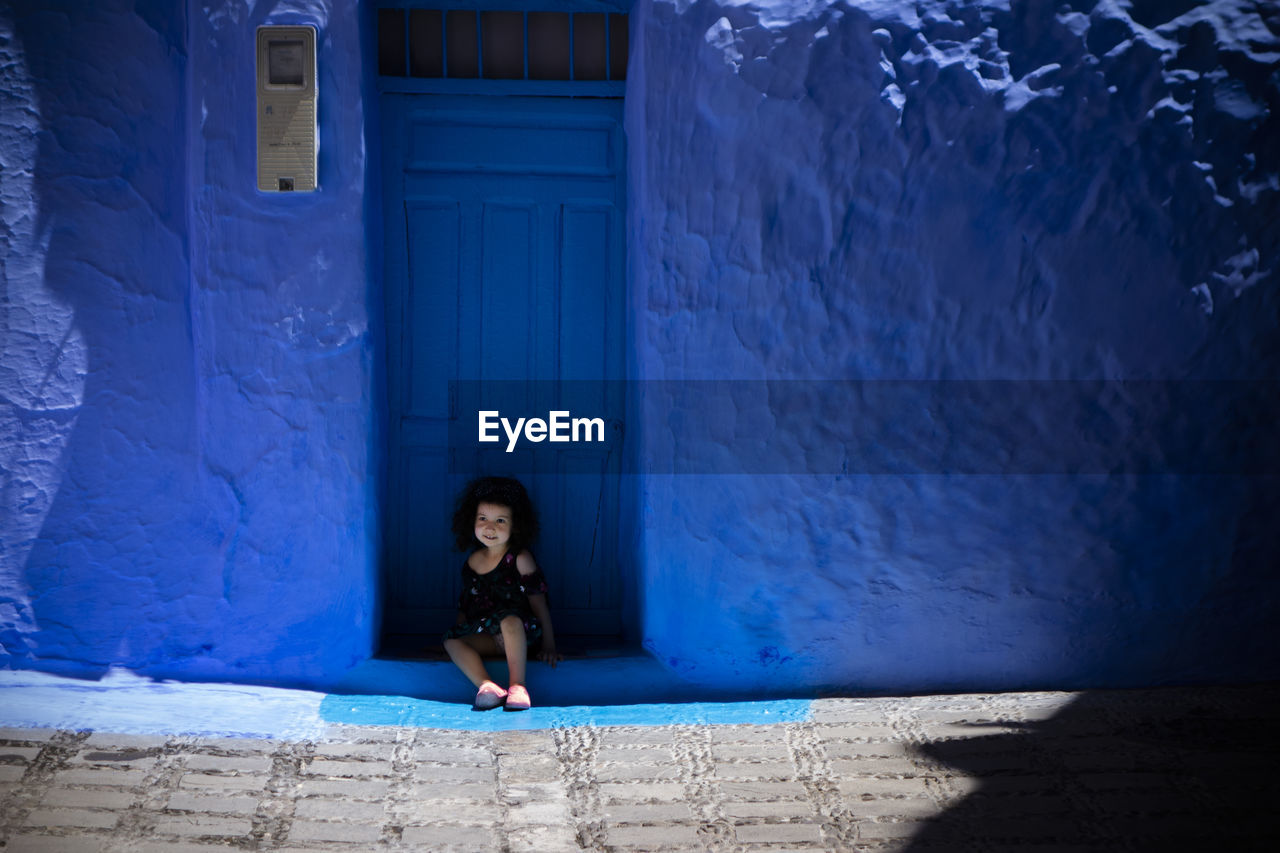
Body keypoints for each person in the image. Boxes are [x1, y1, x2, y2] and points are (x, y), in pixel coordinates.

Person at [441, 476, 561, 711]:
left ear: (515, 525)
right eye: (483, 518)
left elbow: (539, 604)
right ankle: (487, 686)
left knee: (510, 620)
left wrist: (550, 644)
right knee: (451, 641)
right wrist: (460, 634)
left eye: (500, 521)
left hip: (520, 634)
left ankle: (518, 686)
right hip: (487, 633)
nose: (490, 527)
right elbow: (465, 605)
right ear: (472, 521)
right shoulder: (473, 561)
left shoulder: (520, 559)